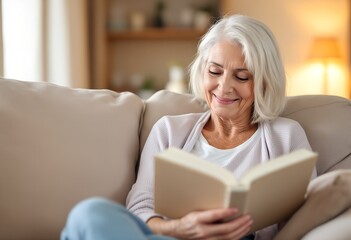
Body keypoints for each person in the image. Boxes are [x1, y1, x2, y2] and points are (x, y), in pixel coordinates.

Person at [61, 14, 316, 240]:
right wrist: (181, 228)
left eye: (241, 76)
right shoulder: (169, 131)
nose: (224, 87)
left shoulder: (286, 136)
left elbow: (305, 218)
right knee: (89, 213)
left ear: (264, 83)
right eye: (215, 71)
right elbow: (140, 209)